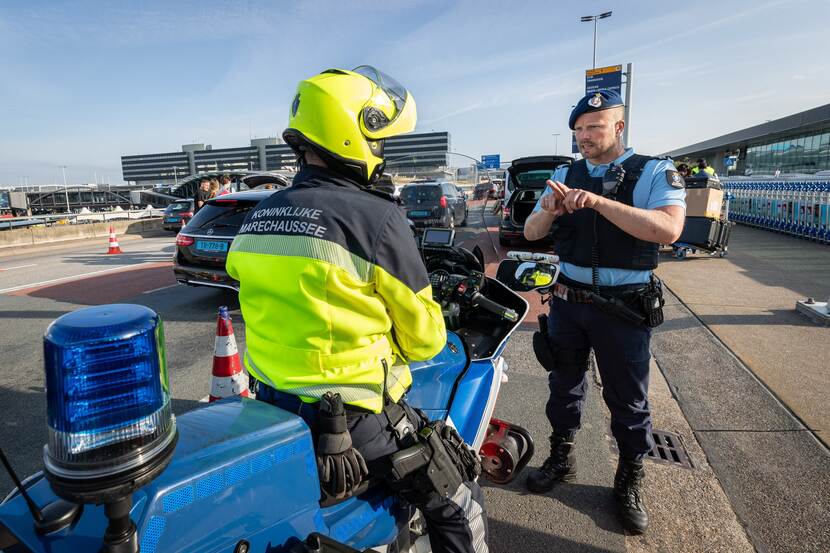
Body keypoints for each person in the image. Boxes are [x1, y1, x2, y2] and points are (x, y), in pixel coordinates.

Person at [226, 65, 488, 553]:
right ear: (354, 133)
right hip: (354, 419)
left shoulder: (259, 214)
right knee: (459, 498)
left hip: (270, 409)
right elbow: (425, 340)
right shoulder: (377, 219)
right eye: (381, 140)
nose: (382, 153)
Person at [522, 89, 686, 535]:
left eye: (594, 126)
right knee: (563, 384)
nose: (584, 137)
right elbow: (531, 230)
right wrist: (550, 211)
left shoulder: (654, 171)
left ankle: (630, 476)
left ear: (618, 126)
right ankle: (562, 456)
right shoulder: (562, 173)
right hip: (569, 304)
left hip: (624, 308)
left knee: (628, 399)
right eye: (578, 129)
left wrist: (596, 202)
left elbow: (669, 230)